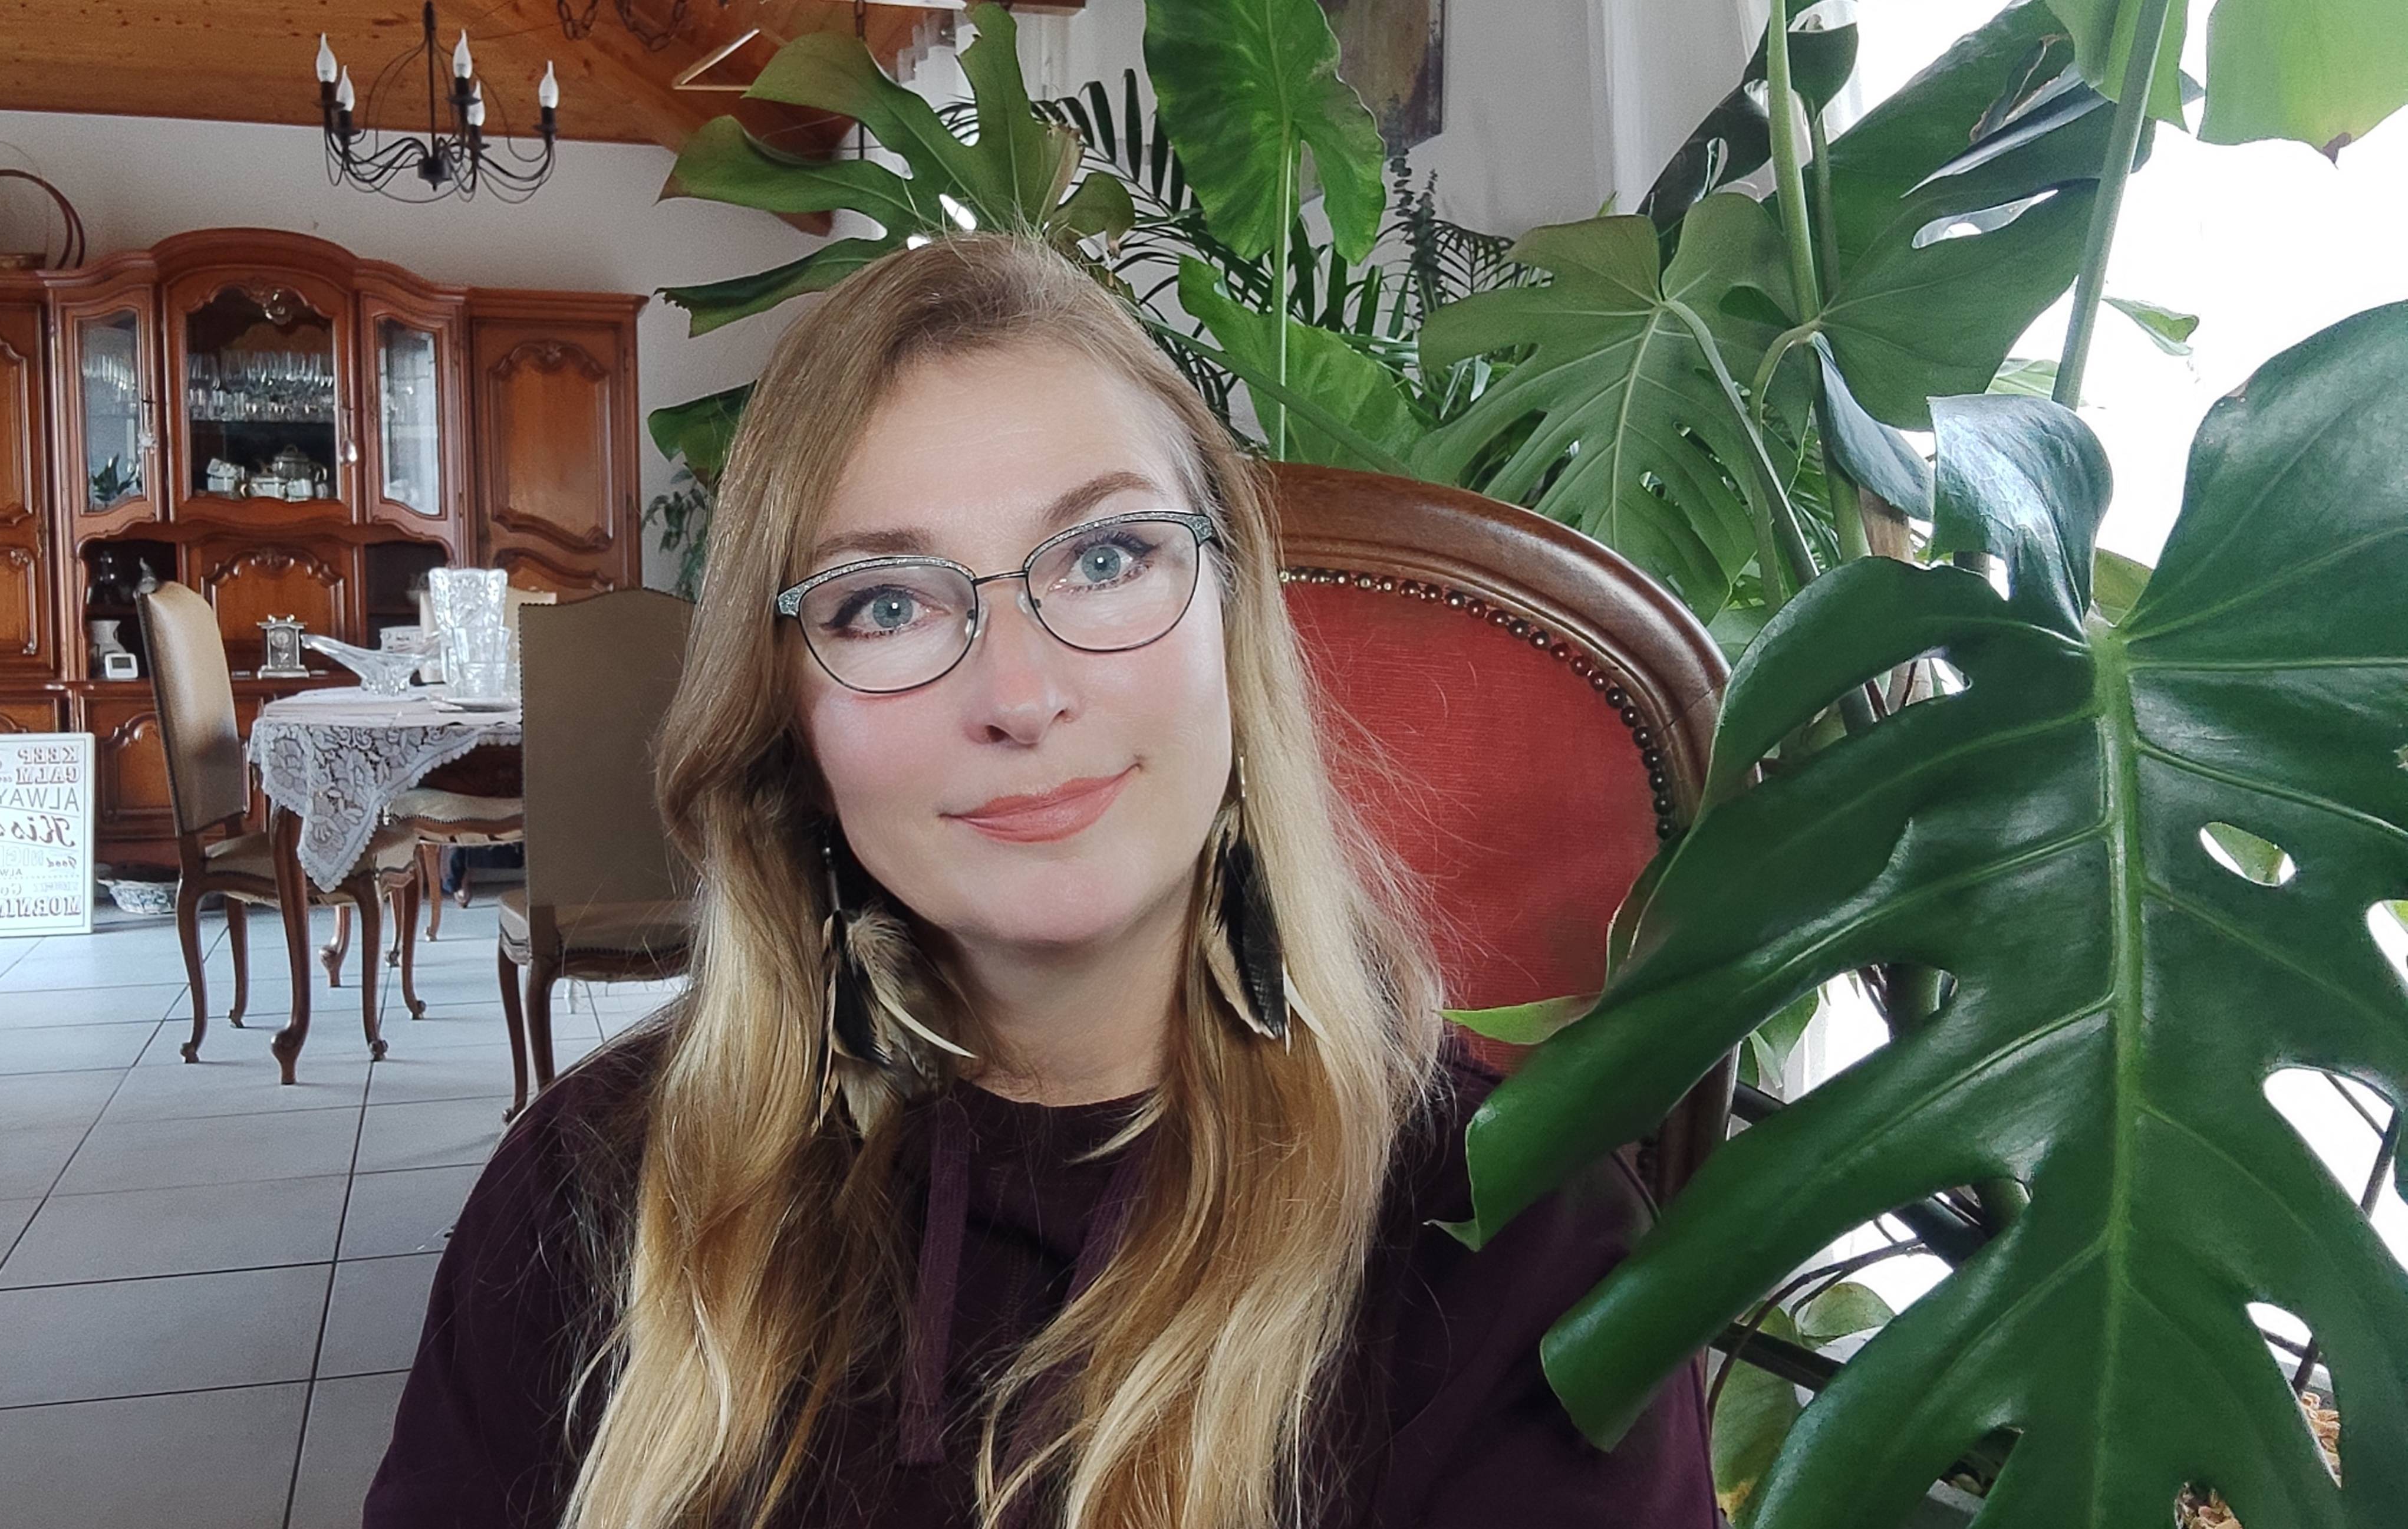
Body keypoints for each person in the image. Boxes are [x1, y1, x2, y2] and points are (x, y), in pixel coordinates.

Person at [364, 230, 1717, 1529]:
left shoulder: (1514, 1247)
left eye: (1107, 557)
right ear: (787, 723)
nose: (1018, 695)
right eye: (886, 604)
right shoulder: (593, 1196)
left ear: (1231, 619)